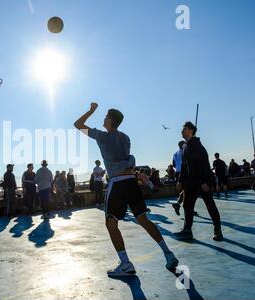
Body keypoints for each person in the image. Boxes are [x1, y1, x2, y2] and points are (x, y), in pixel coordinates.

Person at [75, 103, 178, 276]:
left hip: (117, 184)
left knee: (111, 223)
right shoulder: (125, 138)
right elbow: (127, 161)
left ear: (110, 120)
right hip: (131, 183)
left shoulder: (102, 136)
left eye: (105, 117)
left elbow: (78, 125)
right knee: (144, 220)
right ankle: (168, 254)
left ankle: (125, 263)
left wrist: (90, 111)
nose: (103, 119)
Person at [175, 122, 223, 241]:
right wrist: (180, 181)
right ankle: (187, 231)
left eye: (184, 129)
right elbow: (185, 166)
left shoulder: (196, 146)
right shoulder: (185, 146)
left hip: (202, 182)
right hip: (190, 182)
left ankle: (218, 231)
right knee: (187, 205)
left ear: (191, 131)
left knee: (210, 205)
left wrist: (205, 181)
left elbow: (203, 166)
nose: (182, 131)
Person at [171, 141, 186, 215]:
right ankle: (179, 205)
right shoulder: (185, 151)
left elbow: (173, 164)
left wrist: (178, 167)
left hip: (178, 172)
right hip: (184, 172)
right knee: (188, 190)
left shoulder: (175, 153)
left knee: (185, 190)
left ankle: (178, 205)